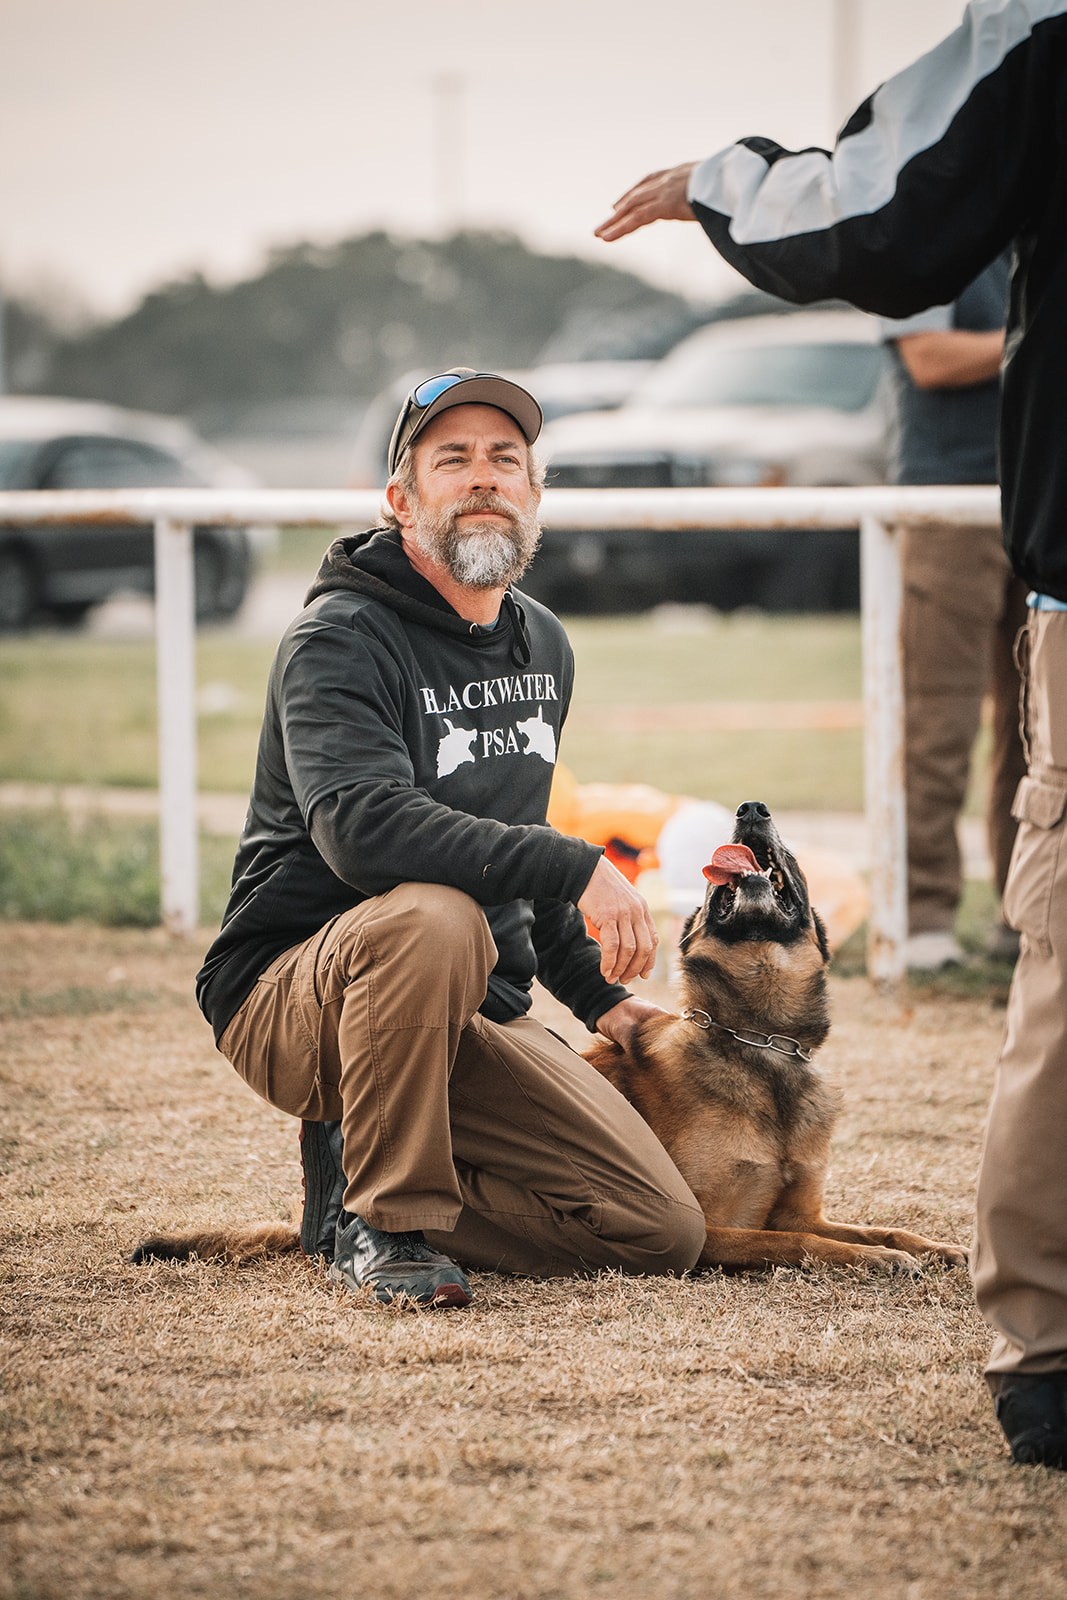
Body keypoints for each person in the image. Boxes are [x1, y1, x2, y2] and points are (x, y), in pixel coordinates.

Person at [595, 0, 1067, 1468]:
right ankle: (924, 920)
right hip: (960, 510)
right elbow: (915, 317)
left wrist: (725, 180)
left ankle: (1047, 1350)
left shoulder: (1026, 56)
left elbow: (872, 212)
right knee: (940, 751)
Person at [195, 366, 706, 1310]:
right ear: (400, 500)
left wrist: (602, 1001)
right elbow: (362, 828)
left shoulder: (542, 642)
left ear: (533, 494)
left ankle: (346, 1190)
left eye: (505, 459)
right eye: (452, 459)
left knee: (657, 1230)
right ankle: (387, 1224)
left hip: (467, 1007)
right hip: (295, 996)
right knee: (435, 914)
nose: (483, 478)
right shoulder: (337, 639)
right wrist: (577, 865)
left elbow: (509, 837)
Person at [880, 255, 1028, 971]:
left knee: (1041, 730)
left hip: (1039, 497)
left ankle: (1026, 914)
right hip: (947, 502)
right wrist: (1038, 337)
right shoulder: (920, 240)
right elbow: (929, 358)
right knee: (939, 723)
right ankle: (922, 919)